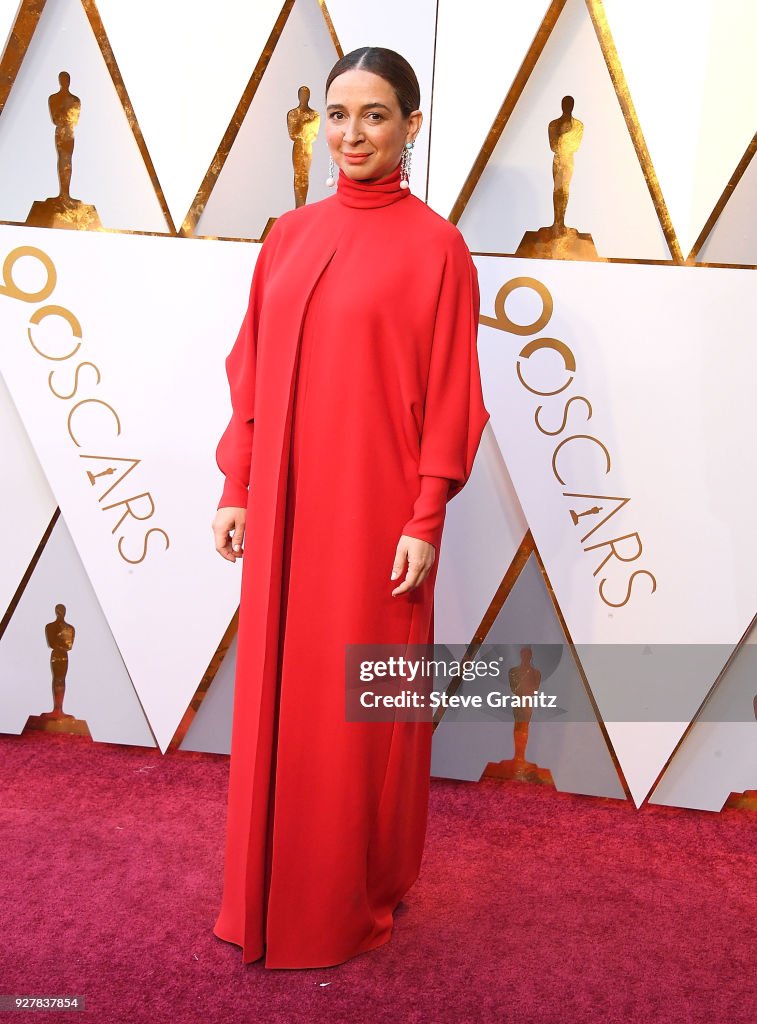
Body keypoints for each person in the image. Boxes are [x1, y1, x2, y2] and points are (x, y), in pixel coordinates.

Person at [210, 46, 490, 970]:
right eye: (337, 114)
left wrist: (423, 517)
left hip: (374, 521)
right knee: (281, 702)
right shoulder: (287, 235)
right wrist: (236, 485)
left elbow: (451, 395)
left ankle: (345, 896)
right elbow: (249, 376)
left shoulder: (438, 248)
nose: (351, 134)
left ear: (411, 125)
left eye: (374, 115)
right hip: (284, 516)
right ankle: (261, 893)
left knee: (354, 711)